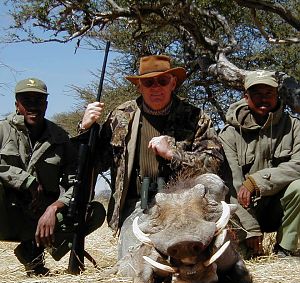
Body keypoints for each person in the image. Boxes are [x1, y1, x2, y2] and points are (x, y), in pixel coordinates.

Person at [79, 54, 223, 258]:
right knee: (132, 263)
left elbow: (214, 164)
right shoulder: (120, 116)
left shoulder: (196, 117)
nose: (156, 87)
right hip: (138, 205)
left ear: (173, 83)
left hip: (185, 204)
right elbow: (95, 162)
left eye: (162, 81)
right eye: (148, 82)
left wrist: (173, 154)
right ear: (139, 86)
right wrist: (85, 128)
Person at [0, 78, 105, 276]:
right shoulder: (2, 130)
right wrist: (27, 181)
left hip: (39, 217)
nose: (33, 106)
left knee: (94, 211)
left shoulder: (59, 137)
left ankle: (32, 252)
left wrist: (54, 207)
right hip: (6, 215)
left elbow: (77, 181)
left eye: (38, 101)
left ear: (46, 105)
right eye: (26, 100)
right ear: (16, 104)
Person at [219, 70, 300, 258]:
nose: (263, 99)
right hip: (244, 211)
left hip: (278, 207)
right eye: (256, 94)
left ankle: (285, 249)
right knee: (239, 260)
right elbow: (233, 185)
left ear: (277, 95)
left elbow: (298, 165)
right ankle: (248, 242)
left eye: (268, 93)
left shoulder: (294, 126)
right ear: (246, 97)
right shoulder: (229, 133)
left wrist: (257, 181)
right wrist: (250, 230)